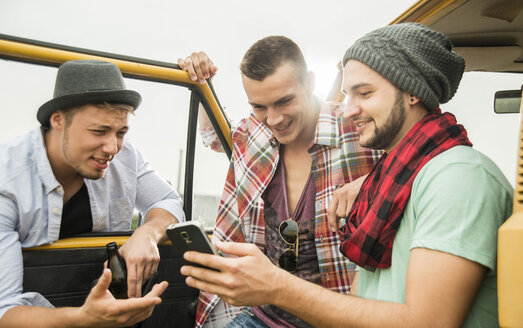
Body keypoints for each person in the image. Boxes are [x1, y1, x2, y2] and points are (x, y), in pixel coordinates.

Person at [179, 23, 514, 328]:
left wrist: (277, 286)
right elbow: (216, 137)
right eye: (348, 93)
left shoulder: (458, 178)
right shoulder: (391, 177)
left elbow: (427, 321)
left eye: (364, 93)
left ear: (413, 91)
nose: (348, 108)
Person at [178, 36, 380, 327]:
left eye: (284, 101)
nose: (274, 119)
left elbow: (421, 157)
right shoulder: (251, 134)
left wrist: (374, 180)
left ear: (309, 82)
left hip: (338, 316)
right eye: (259, 106)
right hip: (259, 315)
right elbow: (214, 136)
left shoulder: (358, 131)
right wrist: (199, 81)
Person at [0, 59, 185, 327]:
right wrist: (84, 319)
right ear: (58, 120)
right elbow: (4, 309)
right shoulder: (7, 181)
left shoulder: (126, 156)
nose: (112, 147)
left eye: (121, 132)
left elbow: (166, 199)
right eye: (99, 131)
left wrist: (149, 232)